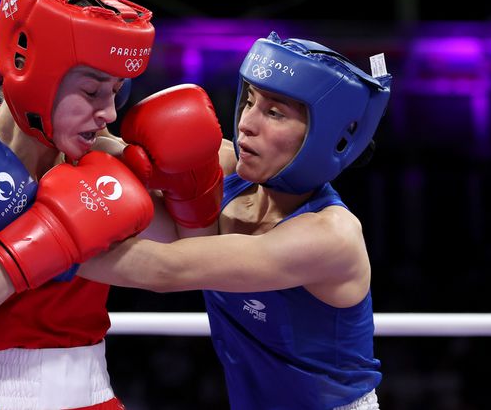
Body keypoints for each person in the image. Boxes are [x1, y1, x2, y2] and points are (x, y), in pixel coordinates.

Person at [0, 0, 224, 410]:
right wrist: (53, 230)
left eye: (116, 91)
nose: (109, 112)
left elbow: (189, 252)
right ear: (35, 75)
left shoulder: (111, 162)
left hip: (93, 395)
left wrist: (195, 182)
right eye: (92, 92)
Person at [79, 31, 392, 410]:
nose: (246, 123)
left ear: (328, 137)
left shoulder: (330, 235)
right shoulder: (227, 172)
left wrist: (30, 246)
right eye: (249, 101)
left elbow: (164, 269)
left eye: (274, 112)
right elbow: (111, 153)